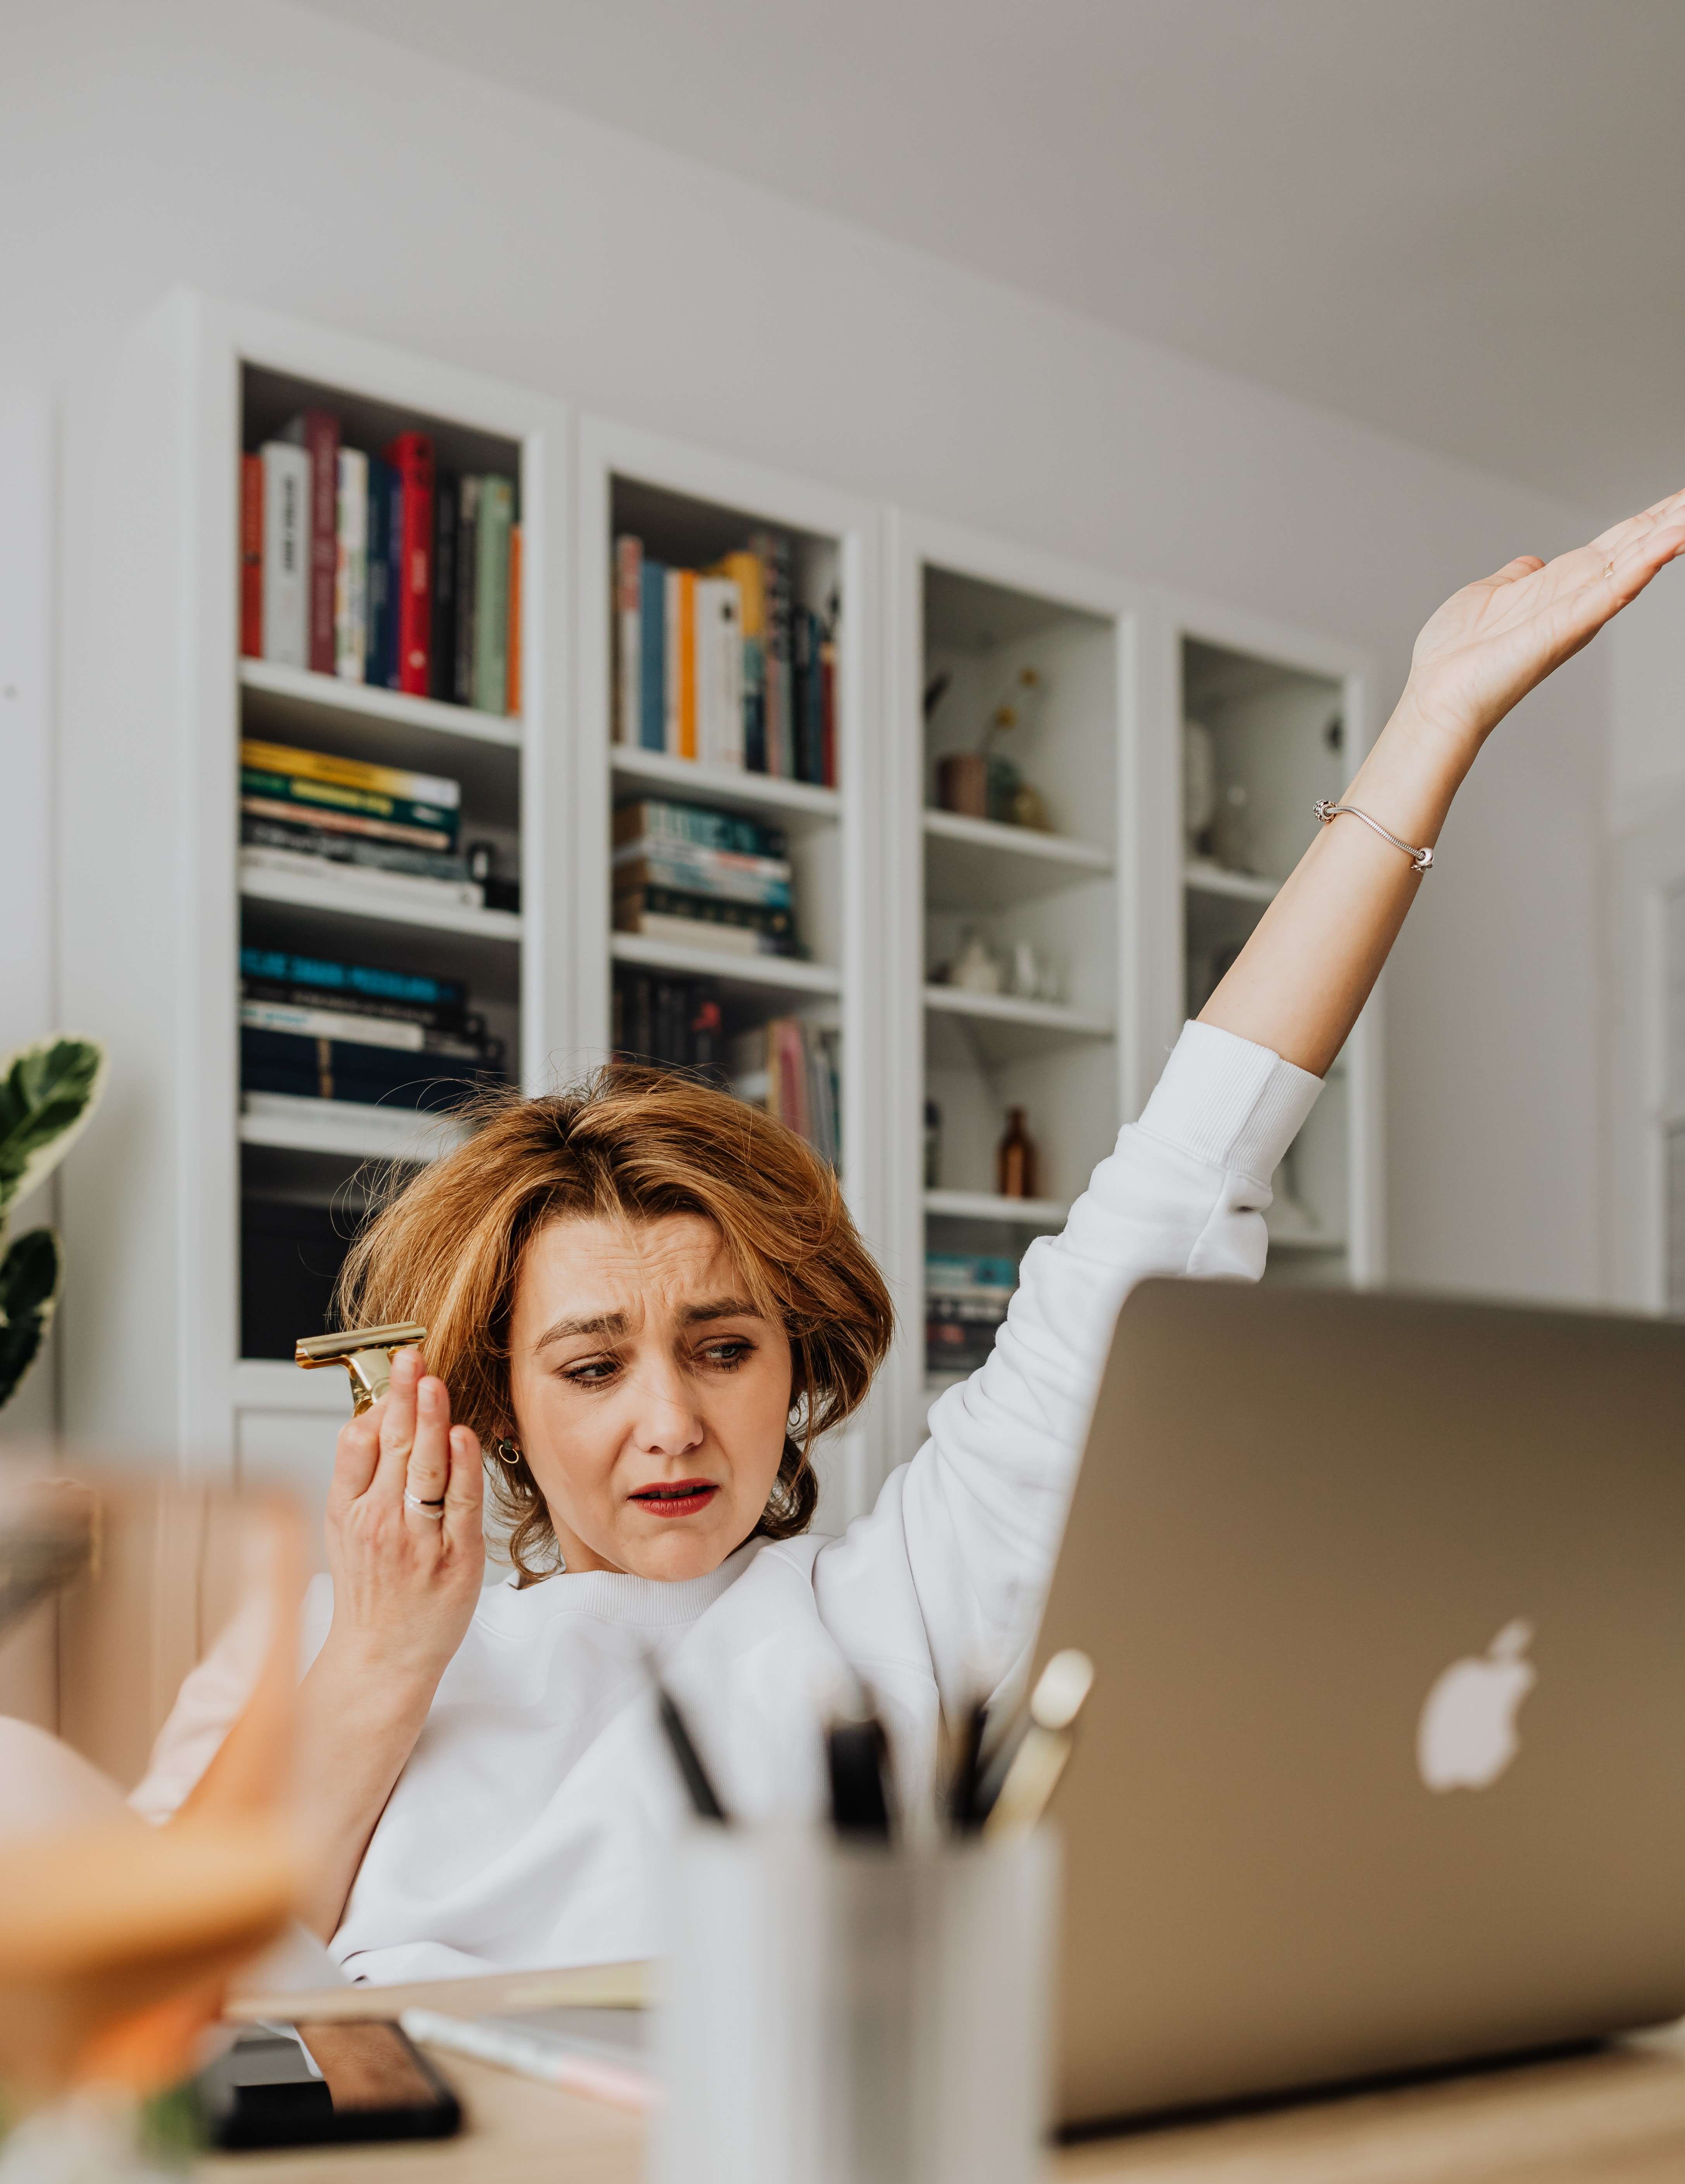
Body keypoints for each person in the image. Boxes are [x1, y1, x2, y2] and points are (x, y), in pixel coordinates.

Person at [138, 489, 1685, 1984]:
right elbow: (162, 1984)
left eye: (722, 1346)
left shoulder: (890, 1603)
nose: (671, 1420)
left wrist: (1431, 725)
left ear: (796, 1360)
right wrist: (384, 1654)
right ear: (493, 1404)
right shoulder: (353, 1647)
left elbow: (1173, 1184)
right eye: (593, 1366)